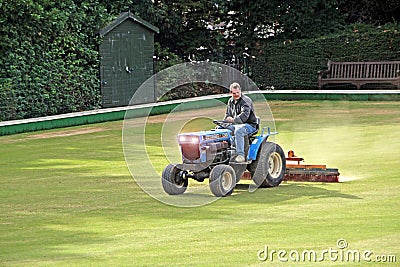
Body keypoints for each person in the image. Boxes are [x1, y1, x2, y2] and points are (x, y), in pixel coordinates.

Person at [224, 82, 259, 163]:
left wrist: (233, 120)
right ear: (230, 93)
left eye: (237, 92)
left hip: (249, 125)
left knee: (239, 131)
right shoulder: (230, 101)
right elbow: (227, 115)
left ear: (240, 91)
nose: (236, 94)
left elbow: (244, 116)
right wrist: (223, 124)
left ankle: (241, 155)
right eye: (234, 93)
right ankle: (228, 152)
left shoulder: (246, 100)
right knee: (221, 130)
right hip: (236, 125)